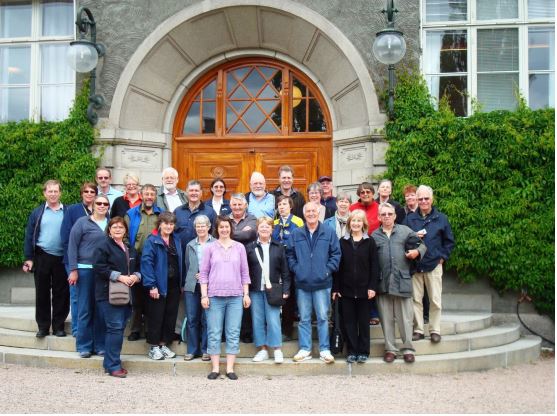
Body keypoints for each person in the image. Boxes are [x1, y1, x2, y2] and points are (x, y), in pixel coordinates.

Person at [287, 202, 341, 364]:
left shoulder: (328, 232)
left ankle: (324, 349)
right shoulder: (296, 234)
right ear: (304, 214)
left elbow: (336, 254)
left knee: (323, 317)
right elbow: (290, 255)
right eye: (308, 211)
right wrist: (298, 269)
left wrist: (326, 271)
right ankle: (305, 349)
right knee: (304, 318)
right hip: (302, 283)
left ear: (319, 213)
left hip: (323, 283)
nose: (311, 213)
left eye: (313, 211)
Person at [372, 203, 426, 363]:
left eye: (390, 214)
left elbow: (422, 245)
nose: (387, 217)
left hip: (402, 281)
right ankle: (390, 349)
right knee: (386, 318)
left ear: (395, 216)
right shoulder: (375, 236)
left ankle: (408, 348)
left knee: (405, 319)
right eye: (384, 214)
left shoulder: (405, 231)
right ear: (379, 217)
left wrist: (417, 252)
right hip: (383, 282)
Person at [199, 216, 251, 380]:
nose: (224, 230)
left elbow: (245, 272)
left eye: (227, 227)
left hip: (236, 296)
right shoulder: (210, 248)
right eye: (221, 227)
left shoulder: (240, 247)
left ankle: (229, 369)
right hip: (214, 296)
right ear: (217, 229)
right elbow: (204, 274)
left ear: (231, 229)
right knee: (214, 332)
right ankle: (215, 368)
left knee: (233, 332)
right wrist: (204, 295)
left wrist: (246, 294)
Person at [404, 185, 455, 343]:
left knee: (434, 299)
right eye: (420, 199)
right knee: (416, 300)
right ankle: (418, 330)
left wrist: (443, 257)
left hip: (434, 265)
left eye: (426, 198)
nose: (424, 201)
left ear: (432, 199)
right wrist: (412, 236)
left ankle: (435, 330)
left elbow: (449, 242)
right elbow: (403, 240)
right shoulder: (409, 219)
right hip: (415, 265)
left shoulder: (441, 218)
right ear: (417, 201)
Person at [94, 216, 141, 378]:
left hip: (126, 295)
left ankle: (109, 363)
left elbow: (137, 267)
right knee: (114, 329)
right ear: (109, 230)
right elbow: (99, 267)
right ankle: (114, 366)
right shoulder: (103, 245)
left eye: (121, 227)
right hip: (108, 294)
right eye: (114, 227)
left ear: (126, 230)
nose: (118, 229)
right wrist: (119, 277)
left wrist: (136, 276)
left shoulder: (129, 247)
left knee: (118, 329)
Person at [23, 179, 69, 338]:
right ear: (44, 193)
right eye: (50, 191)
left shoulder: (67, 211)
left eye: (56, 191)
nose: (53, 194)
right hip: (42, 256)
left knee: (61, 294)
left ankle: (58, 327)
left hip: (62, 258)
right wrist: (29, 258)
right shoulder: (37, 212)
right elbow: (29, 235)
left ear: (60, 193)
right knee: (42, 293)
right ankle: (43, 326)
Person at [332, 209, 379, 363]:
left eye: (359, 221)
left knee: (363, 322)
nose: (356, 224)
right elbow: (338, 267)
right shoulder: (342, 242)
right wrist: (336, 288)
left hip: (365, 290)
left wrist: (372, 287)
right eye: (354, 221)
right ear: (349, 223)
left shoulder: (370, 241)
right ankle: (352, 350)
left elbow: (375, 266)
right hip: (346, 290)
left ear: (363, 224)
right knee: (349, 322)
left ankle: (364, 351)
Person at [67, 195, 110, 357]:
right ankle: (84, 345)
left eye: (105, 203)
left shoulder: (110, 223)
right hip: (84, 270)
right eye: (98, 203)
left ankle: (100, 345)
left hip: (103, 272)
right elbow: (72, 246)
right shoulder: (82, 223)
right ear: (92, 205)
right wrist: (73, 270)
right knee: (85, 308)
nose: (101, 205)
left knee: (100, 309)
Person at [246, 217, 290, 364]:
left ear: (272, 229)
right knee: (258, 320)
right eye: (262, 226)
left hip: (274, 289)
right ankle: (263, 349)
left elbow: (285, 271)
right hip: (255, 289)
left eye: (267, 226)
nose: (264, 229)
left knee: (273, 320)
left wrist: (286, 289)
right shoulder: (250, 247)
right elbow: (245, 270)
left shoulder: (279, 247)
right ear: (257, 229)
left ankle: (277, 349)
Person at [141, 212, 183, 360]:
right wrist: (152, 285)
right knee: (156, 316)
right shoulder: (152, 241)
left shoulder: (176, 240)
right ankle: (154, 347)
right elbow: (146, 264)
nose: (168, 226)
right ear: (160, 224)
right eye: (165, 223)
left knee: (170, 316)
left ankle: (163, 344)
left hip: (174, 286)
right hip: (158, 285)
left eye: (171, 224)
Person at [125, 184, 163, 341]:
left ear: (155, 197)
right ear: (141, 195)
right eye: (146, 194)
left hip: (155, 260)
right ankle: (135, 329)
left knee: (152, 296)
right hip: (137, 259)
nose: (149, 197)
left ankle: (149, 329)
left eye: (152, 194)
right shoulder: (131, 213)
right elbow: (124, 235)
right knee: (136, 296)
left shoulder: (161, 215)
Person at [60, 181, 97, 337]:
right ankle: (77, 329)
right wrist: (73, 264)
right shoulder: (72, 210)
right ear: (82, 193)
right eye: (86, 191)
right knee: (76, 296)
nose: (89, 194)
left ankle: (92, 328)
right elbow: (65, 236)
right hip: (74, 261)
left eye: (92, 192)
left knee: (93, 297)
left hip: (94, 263)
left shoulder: (101, 210)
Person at [183, 215, 214, 361]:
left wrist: (205, 274)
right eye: (198, 226)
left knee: (207, 318)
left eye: (204, 225)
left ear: (209, 227)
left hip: (210, 286)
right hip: (192, 286)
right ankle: (192, 349)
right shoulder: (190, 245)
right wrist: (195, 274)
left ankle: (206, 349)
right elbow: (188, 266)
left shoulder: (215, 243)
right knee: (192, 318)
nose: (201, 228)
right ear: (195, 228)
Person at [271, 195, 303, 342]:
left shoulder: (297, 221)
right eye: (279, 204)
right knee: (277, 294)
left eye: (284, 204)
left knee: (289, 296)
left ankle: (288, 330)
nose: (282, 207)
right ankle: (275, 327)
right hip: (277, 263)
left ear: (290, 206)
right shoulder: (274, 223)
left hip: (291, 262)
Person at [349, 182, 381, 325]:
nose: (365, 194)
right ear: (359, 194)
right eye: (362, 192)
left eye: (368, 191)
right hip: (356, 246)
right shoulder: (353, 208)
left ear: (373, 193)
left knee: (372, 279)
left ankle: (373, 313)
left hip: (374, 247)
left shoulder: (379, 208)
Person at [228, 193, 257, 343]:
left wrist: (229, 234)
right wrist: (241, 233)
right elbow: (219, 233)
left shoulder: (251, 219)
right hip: (228, 264)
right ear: (230, 205)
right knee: (230, 296)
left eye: (240, 204)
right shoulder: (225, 218)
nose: (237, 207)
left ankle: (246, 332)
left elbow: (250, 234)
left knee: (247, 297)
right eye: (234, 204)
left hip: (249, 263)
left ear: (245, 205)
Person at [175, 180, 216, 248]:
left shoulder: (210, 212)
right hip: (181, 254)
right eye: (191, 190)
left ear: (201, 193)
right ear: (187, 192)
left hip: (202, 253)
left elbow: (215, 234)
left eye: (196, 190)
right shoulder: (178, 211)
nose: (194, 193)